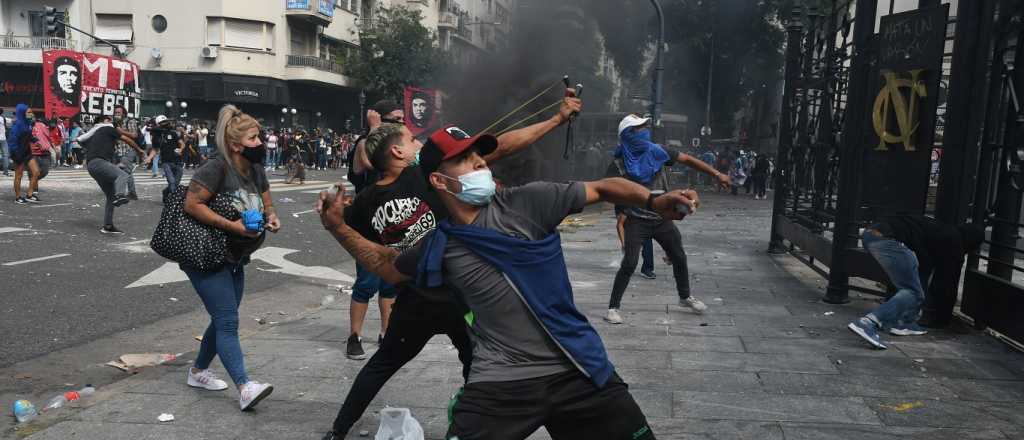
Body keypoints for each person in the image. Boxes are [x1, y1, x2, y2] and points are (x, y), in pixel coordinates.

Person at [317, 125, 694, 440]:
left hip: (576, 368)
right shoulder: (441, 244)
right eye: (465, 159)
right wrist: (336, 228)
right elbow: (388, 265)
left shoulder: (530, 202)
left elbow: (604, 187)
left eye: (478, 155)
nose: (480, 162)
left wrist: (653, 198)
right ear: (439, 180)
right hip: (500, 383)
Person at [320, 90, 581, 439]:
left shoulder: (366, 201)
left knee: (385, 365)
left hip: (415, 300)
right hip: (457, 296)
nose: (418, 145)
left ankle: (338, 431)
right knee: (480, 369)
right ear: (397, 152)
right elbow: (501, 147)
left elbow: (352, 233)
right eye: (412, 141)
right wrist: (557, 119)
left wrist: (332, 214)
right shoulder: (423, 177)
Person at [182, 104, 280, 410]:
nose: (260, 143)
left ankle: (198, 372)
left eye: (260, 137)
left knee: (223, 317)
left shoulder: (256, 170)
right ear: (236, 144)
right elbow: (192, 204)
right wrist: (232, 225)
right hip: (208, 255)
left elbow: (266, 202)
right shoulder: (217, 168)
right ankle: (245, 386)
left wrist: (272, 217)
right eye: (254, 138)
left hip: (236, 257)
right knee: (227, 321)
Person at [604, 114, 730, 325]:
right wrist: (621, 216)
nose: (645, 131)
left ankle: (684, 296)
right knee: (629, 263)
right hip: (636, 220)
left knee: (679, 257)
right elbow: (611, 192)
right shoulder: (617, 164)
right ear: (628, 135)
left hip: (662, 218)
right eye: (639, 129)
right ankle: (613, 308)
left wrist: (717, 174)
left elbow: (688, 160)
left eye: (645, 127)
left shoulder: (658, 151)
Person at [848, 217, 986, 348]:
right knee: (913, 292)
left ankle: (903, 323)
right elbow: (947, 283)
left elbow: (923, 269)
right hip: (888, 240)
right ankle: (867, 323)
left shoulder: (938, 230)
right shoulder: (954, 242)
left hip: (871, 234)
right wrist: (942, 318)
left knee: (913, 287)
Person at [80, 115, 146, 233]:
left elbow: (83, 143)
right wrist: (139, 150)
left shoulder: (96, 135)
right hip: (98, 163)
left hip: (92, 166)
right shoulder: (108, 128)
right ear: (107, 121)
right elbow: (128, 140)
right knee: (123, 175)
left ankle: (108, 226)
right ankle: (120, 195)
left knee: (110, 196)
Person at [8, 104, 42, 204]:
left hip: (27, 151)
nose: (31, 114)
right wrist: (15, 154)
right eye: (29, 112)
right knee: (19, 175)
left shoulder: (28, 123)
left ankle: (29, 195)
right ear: (22, 113)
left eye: (31, 112)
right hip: (18, 152)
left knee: (36, 172)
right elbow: (12, 141)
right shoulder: (17, 125)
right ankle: (18, 197)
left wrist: (35, 140)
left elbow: (28, 135)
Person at [145, 115, 185, 200]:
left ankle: (165, 192)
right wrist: (149, 158)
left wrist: (181, 149)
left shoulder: (173, 133)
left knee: (176, 183)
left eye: (166, 121)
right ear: (158, 124)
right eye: (163, 122)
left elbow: (182, 143)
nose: (166, 123)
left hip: (178, 161)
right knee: (171, 181)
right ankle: (173, 201)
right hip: (166, 162)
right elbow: (155, 149)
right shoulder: (156, 137)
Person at [0, 107, 9, 177]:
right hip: (3, 138)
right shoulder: (4, 119)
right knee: (5, 155)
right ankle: (5, 171)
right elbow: (6, 128)